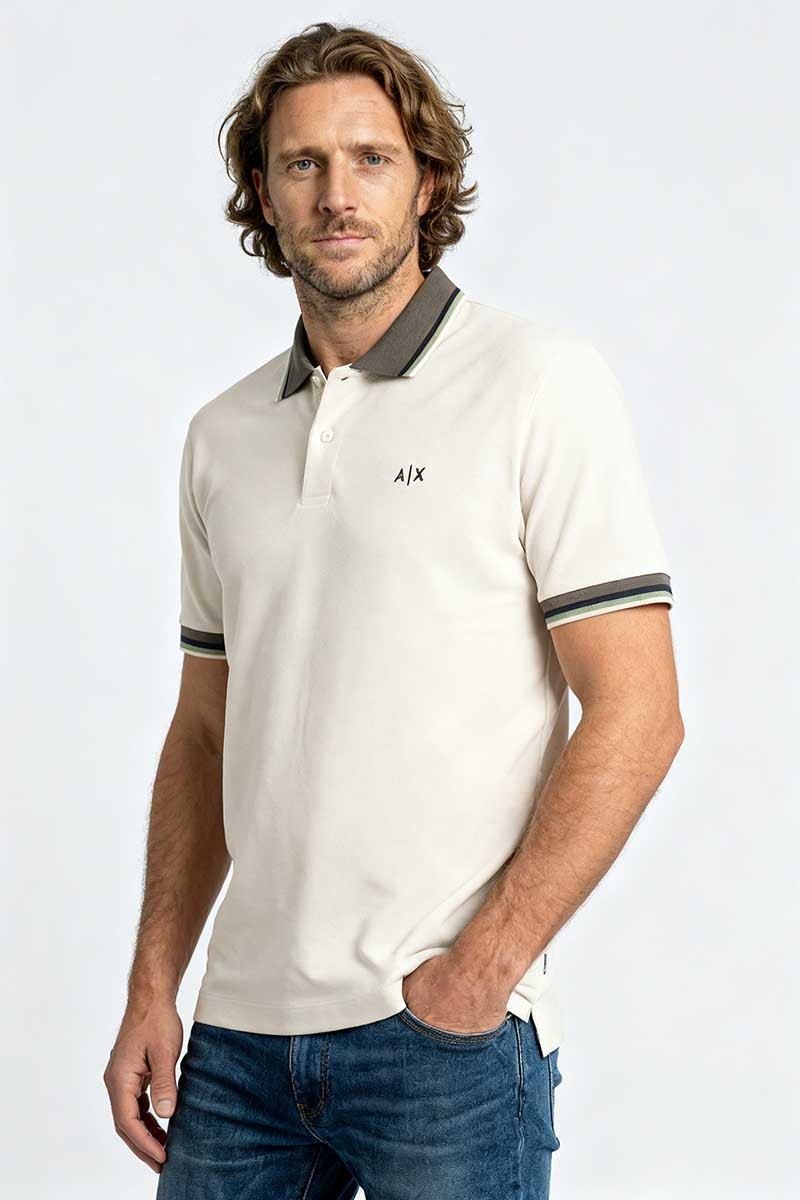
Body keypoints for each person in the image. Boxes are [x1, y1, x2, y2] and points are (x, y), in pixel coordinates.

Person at [102, 20, 684, 1199]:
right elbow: (207, 731)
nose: (335, 193)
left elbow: (637, 709)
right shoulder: (221, 436)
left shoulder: (536, 384)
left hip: (441, 1044)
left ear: (425, 181)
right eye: (301, 163)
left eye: (369, 158)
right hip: (236, 1045)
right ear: (262, 194)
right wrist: (153, 983)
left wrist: (482, 971)